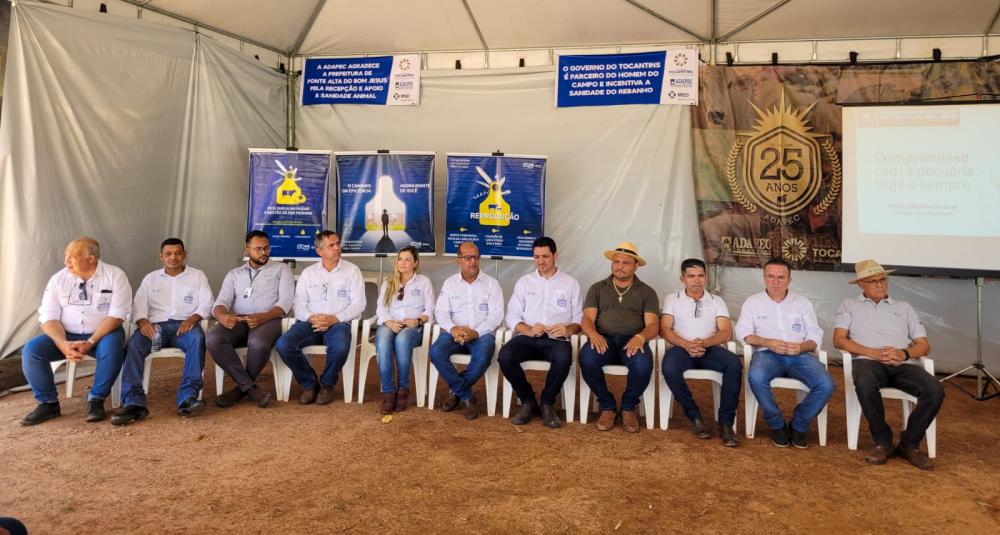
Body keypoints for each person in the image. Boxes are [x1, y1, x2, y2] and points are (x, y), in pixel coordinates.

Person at [833, 259, 944, 470]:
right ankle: (882, 442)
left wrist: (903, 353)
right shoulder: (849, 305)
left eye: (883, 279)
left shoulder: (904, 307)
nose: (880, 284)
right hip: (868, 361)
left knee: (935, 389)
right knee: (865, 382)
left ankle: (909, 443)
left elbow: (924, 346)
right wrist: (873, 353)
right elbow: (839, 340)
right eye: (873, 281)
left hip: (902, 363)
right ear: (861, 285)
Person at [20, 237, 132, 425]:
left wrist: (91, 342)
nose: (66, 261)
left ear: (91, 259)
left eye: (72, 256)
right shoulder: (58, 279)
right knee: (32, 350)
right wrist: (62, 344)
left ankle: (96, 399)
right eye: (66, 256)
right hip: (66, 336)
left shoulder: (115, 276)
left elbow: (117, 316)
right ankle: (48, 403)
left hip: (103, 334)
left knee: (112, 347)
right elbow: (48, 317)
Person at [113, 238, 214, 425]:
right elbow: (138, 306)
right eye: (168, 254)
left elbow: (207, 303)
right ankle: (133, 402)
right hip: (155, 328)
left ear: (184, 254)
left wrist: (193, 318)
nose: (173, 257)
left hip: (184, 326)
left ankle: (188, 398)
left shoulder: (197, 276)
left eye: (178, 253)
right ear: (161, 256)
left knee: (197, 339)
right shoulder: (150, 279)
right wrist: (143, 321)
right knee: (134, 345)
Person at [735, 257, 834, 449]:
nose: (775, 282)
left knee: (826, 384)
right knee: (756, 377)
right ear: (764, 277)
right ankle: (777, 424)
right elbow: (743, 333)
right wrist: (767, 342)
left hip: (800, 355)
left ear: (789, 279)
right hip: (767, 354)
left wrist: (802, 347)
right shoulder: (753, 302)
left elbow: (814, 333)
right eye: (770, 276)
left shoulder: (802, 302)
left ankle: (799, 424)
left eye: (781, 277)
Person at [499, 237, 582, 428]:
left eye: (545, 256)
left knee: (563, 358)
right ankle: (528, 401)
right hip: (528, 338)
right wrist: (527, 329)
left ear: (555, 256)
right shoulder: (524, 282)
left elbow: (579, 317)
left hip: (556, 339)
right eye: (536, 257)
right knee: (505, 356)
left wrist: (568, 329)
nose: (540, 261)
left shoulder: (570, 283)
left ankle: (547, 403)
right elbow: (511, 315)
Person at [276, 231, 365, 405]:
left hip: (338, 323)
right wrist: (311, 318)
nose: (337, 248)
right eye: (331, 245)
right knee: (284, 344)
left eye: (337, 244)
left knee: (340, 346)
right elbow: (298, 304)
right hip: (310, 323)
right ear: (319, 251)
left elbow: (359, 304)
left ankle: (327, 384)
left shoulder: (352, 271)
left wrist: (335, 318)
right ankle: (309, 384)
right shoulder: (308, 273)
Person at [659, 258, 741, 446]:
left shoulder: (716, 301)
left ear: (706, 278)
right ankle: (694, 416)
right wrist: (686, 344)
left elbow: (726, 332)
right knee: (669, 367)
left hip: (710, 348)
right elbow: (665, 329)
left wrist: (704, 343)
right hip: (681, 348)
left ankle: (726, 423)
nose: (696, 281)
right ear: (682, 279)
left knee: (734, 364)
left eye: (701, 276)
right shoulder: (672, 299)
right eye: (691, 276)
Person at [579, 241, 659, 433]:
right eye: (616, 262)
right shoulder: (597, 288)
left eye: (626, 263)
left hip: (632, 340)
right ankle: (607, 405)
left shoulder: (647, 292)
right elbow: (587, 318)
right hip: (603, 339)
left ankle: (628, 406)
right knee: (587, 359)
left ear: (636, 266)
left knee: (643, 365)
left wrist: (640, 337)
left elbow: (653, 325)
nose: (620, 266)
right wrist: (593, 334)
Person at [207, 231, 293, 408]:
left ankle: (241, 389)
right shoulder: (234, 274)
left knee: (258, 343)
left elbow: (285, 302)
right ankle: (250, 388)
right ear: (247, 250)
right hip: (240, 319)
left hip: (270, 320)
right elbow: (221, 302)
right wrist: (222, 316)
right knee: (213, 338)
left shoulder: (281, 269)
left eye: (266, 248)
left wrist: (263, 317)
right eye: (258, 249)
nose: (264, 252)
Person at [429, 241, 504, 420]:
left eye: (476, 257)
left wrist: (476, 332)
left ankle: (456, 393)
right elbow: (441, 312)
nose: (473, 261)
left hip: (481, 334)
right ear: (459, 260)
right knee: (436, 352)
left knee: (483, 357)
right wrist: (453, 328)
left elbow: (497, 315)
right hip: (454, 334)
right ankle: (467, 395)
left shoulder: (492, 284)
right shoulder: (450, 283)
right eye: (468, 258)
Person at [373, 246, 434, 414]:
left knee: (402, 339)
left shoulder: (424, 282)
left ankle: (403, 389)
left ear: (415, 263)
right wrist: (389, 322)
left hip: (413, 327)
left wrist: (418, 321)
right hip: (391, 324)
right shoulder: (389, 282)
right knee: (383, 341)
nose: (403, 262)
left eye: (407, 259)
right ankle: (388, 392)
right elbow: (381, 309)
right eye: (400, 259)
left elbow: (430, 309)